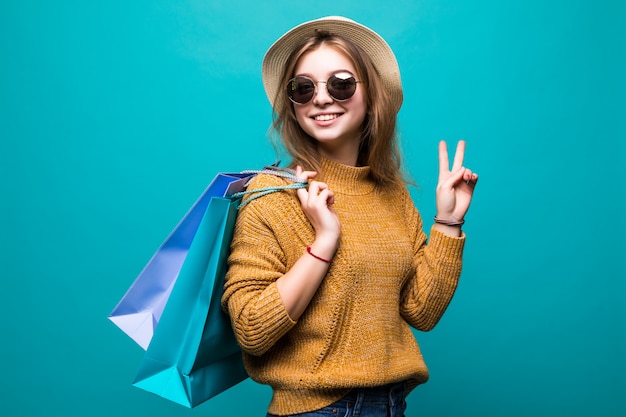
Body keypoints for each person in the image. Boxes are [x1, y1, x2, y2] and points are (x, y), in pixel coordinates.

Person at [222, 16, 478, 417]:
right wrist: (324, 242)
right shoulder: (274, 195)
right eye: (303, 88)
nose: (321, 99)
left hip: (391, 404)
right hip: (315, 411)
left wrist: (447, 223)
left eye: (340, 84)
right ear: (292, 104)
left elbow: (421, 312)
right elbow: (252, 329)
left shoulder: (391, 193)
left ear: (371, 95)